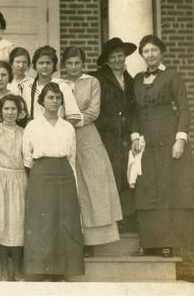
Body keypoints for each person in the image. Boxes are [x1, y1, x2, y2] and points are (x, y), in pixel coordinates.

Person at [129, 35, 194, 258]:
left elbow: (184, 109)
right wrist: (134, 135)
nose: (150, 55)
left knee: (168, 189)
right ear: (142, 55)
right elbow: (134, 111)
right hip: (145, 142)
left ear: (162, 52)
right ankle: (148, 242)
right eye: (146, 51)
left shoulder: (173, 76)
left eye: (154, 50)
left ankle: (167, 244)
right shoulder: (137, 79)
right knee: (147, 189)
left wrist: (180, 139)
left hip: (167, 138)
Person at [61, 46, 122, 256]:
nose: (74, 67)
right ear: (64, 64)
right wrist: (64, 126)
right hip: (65, 139)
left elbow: (93, 111)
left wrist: (70, 122)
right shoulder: (60, 84)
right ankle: (73, 239)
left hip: (87, 137)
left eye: (77, 62)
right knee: (72, 187)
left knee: (92, 186)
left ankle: (92, 241)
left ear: (83, 63)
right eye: (69, 63)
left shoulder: (92, 82)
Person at [23, 82, 84, 281]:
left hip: (64, 174)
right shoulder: (32, 126)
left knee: (64, 220)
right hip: (41, 173)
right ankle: (41, 269)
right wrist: (38, 174)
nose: (55, 101)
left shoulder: (67, 127)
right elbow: (27, 156)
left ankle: (61, 270)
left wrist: (72, 179)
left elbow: (72, 156)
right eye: (50, 97)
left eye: (58, 98)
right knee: (43, 222)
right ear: (42, 101)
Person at [89, 37, 137, 228]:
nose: (118, 59)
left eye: (121, 56)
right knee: (106, 177)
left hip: (124, 137)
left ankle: (124, 221)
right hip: (105, 135)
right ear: (107, 59)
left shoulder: (129, 79)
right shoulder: (97, 77)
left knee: (125, 176)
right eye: (114, 56)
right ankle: (107, 222)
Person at [0, 94, 26, 281]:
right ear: (0, 112)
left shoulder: (24, 132)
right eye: (6, 109)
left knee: (17, 221)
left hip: (18, 178)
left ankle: (17, 270)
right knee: (1, 221)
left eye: (13, 109)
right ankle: (3, 270)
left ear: (19, 112)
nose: (10, 113)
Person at [28, 45, 82, 126]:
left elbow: (74, 116)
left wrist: (56, 130)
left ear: (54, 65)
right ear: (35, 65)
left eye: (48, 63)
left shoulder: (62, 86)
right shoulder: (27, 87)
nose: (45, 66)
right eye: (41, 63)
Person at [7, 47, 33, 111]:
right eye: (18, 62)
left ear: (28, 65)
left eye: (24, 62)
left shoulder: (33, 83)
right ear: (11, 63)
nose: (21, 65)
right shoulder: (6, 83)